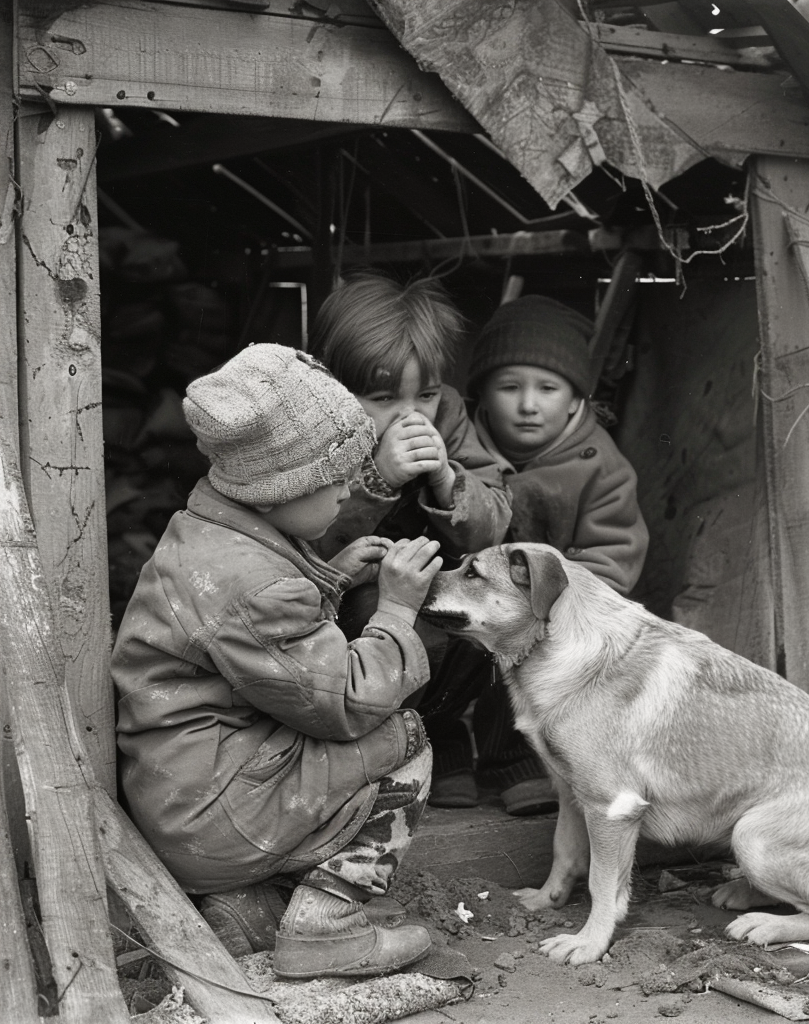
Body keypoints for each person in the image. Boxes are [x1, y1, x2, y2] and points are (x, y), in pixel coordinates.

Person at [112, 344, 442, 979]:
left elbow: (261, 650)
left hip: (186, 796)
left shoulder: (209, 532)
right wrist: (396, 611)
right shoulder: (258, 589)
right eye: (336, 478)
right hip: (218, 815)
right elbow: (343, 704)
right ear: (279, 488)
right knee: (402, 738)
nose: (351, 488)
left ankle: (251, 911)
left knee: (325, 751)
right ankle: (329, 926)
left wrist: (329, 582)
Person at [308, 271, 512, 808]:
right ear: (335, 387)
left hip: (437, 581)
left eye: (425, 393)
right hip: (362, 596)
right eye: (382, 397)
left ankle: (446, 737)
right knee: (380, 624)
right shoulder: (314, 426)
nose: (410, 414)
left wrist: (448, 481)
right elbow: (304, 542)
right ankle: (393, 749)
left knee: (490, 620)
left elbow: (495, 521)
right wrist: (376, 482)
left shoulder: (447, 415)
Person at [465, 294, 650, 815]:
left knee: (533, 653)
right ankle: (449, 748)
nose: (528, 404)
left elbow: (613, 558)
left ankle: (515, 759)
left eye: (547, 388)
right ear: (481, 392)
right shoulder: (460, 453)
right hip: (474, 602)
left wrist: (545, 599)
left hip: (559, 616)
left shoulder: (602, 468)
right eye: (509, 387)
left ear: (574, 400)